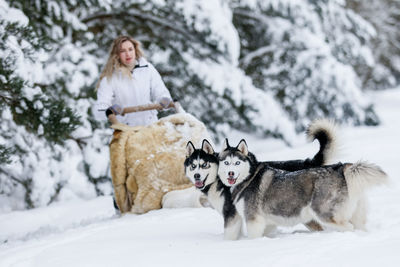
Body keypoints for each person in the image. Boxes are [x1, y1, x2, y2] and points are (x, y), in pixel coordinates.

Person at [94, 35, 172, 126]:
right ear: (117, 55)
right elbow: (99, 111)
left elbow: (161, 91)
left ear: (135, 50)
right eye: (123, 51)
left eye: (130, 49)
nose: (128, 54)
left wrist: (164, 100)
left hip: (150, 126)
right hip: (126, 130)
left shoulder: (147, 69)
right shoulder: (110, 78)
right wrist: (110, 111)